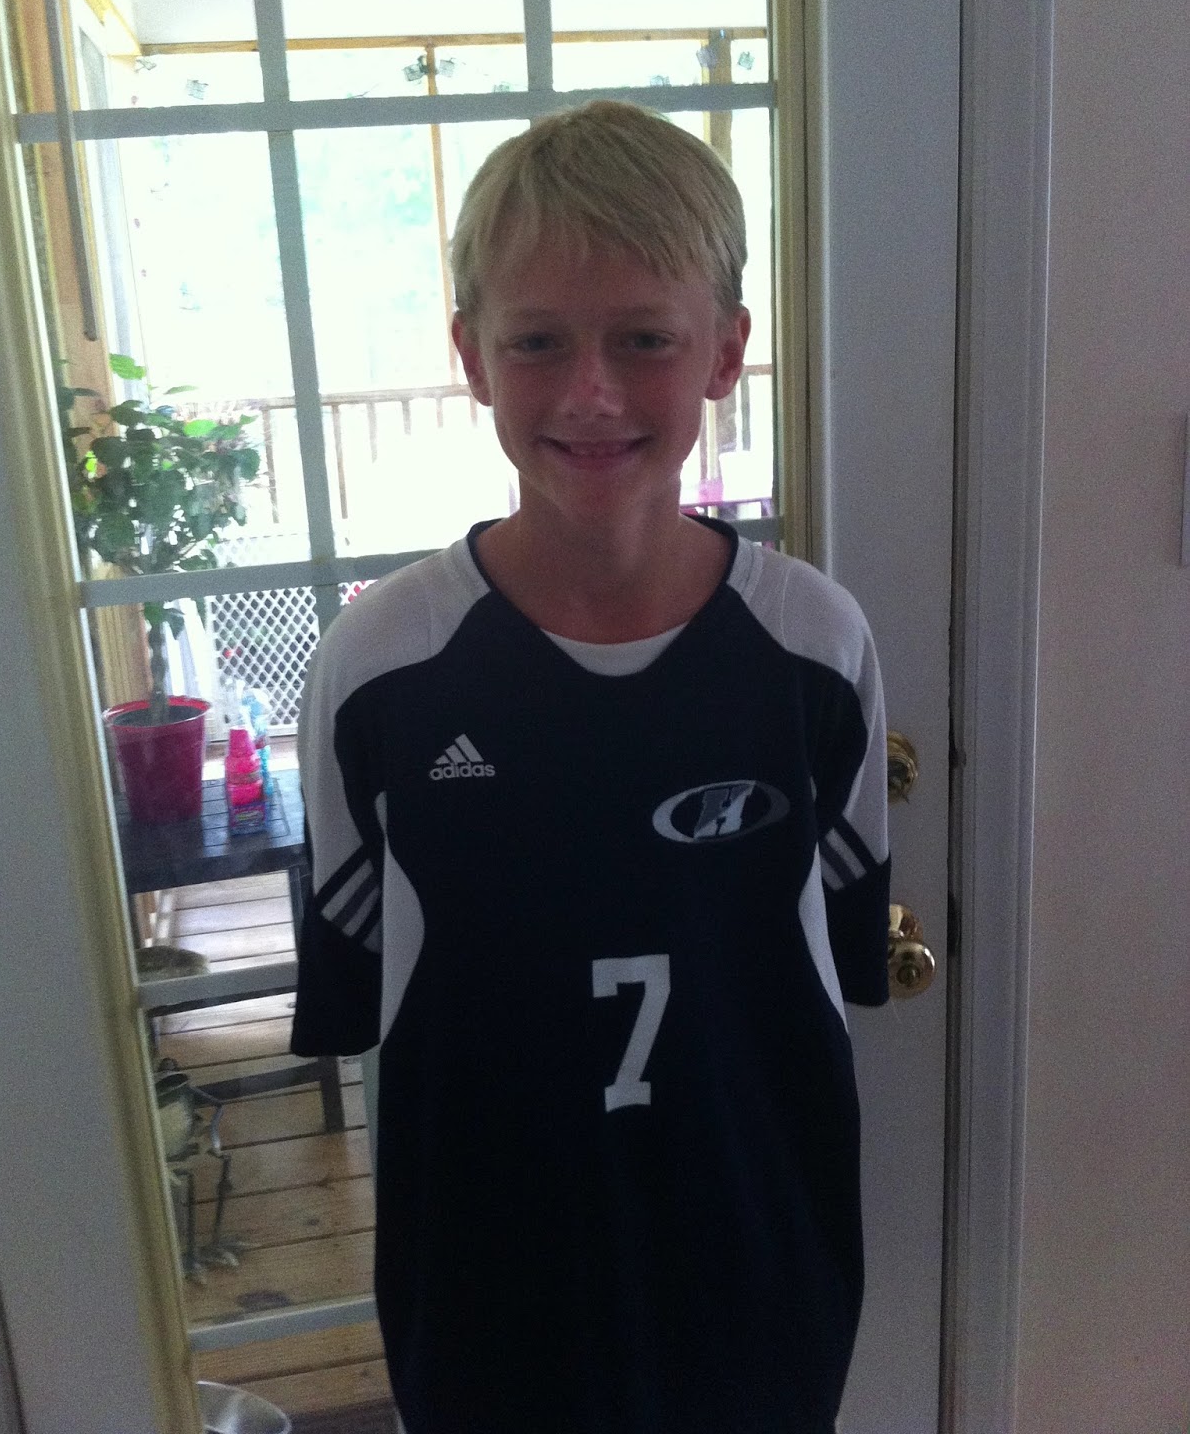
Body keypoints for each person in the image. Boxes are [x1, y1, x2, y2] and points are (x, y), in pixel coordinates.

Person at [292, 99, 890, 1434]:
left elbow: (838, 956)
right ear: (471, 355)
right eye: (539, 342)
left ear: (725, 350)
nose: (590, 393)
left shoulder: (813, 644)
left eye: (643, 339)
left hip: (755, 1261)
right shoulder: (380, 668)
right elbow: (356, 986)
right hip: (488, 1272)